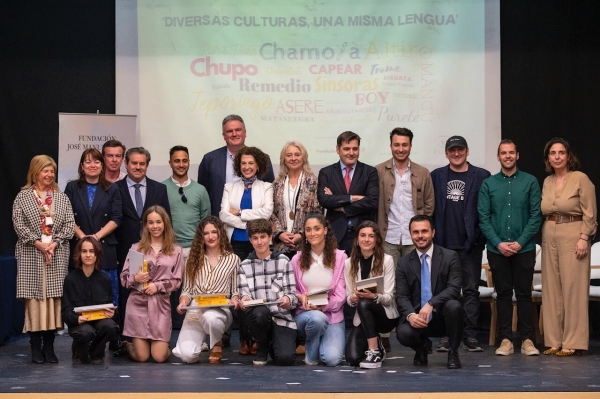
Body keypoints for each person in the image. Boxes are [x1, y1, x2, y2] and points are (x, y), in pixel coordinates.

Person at [478, 140, 542, 356]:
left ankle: (527, 341)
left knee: (524, 294)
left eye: (511, 152)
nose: (507, 156)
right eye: (503, 153)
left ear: (517, 155)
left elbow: (536, 216)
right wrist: (498, 243)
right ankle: (505, 340)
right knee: (503, 294)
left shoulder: (530, 182)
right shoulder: (488, 184)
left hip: (524, 249)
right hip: (497, 250)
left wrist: (520, 242)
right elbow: (483, 218)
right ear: (498, 157)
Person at [12, 155, 75, 364]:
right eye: (45, 170)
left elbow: (69, 225)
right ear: (35, 172)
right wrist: (38, 243)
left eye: (52, 171)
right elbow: (19, 225)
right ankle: (35, 347)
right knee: (35, 301)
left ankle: (49, 347)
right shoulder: (23, 197)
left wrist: (54, 243)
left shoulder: (62, 197)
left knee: (53, 302)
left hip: (56, 254)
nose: (49, 175)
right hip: (31, 254)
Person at [430, 136, 490, 352]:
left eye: (460, 149)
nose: (456, 153)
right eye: (452, 150)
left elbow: (486, 210)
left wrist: (480, 239)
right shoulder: (436, 176)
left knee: (471, 291)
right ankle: (447, 336)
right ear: (446, 153)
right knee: (446, 292)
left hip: (470, 245)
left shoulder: (482, 176)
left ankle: (470, 336)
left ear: (467, 151)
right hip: (443, 246)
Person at [540, 137, 597, 356]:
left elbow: (590, 212)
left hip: (574, 233)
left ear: (568, 155)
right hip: (550, 233)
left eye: (561, 153)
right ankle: (554, 341)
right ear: (548, 158)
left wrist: (584, 237)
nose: (557, 157)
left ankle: (572, 342)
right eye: (552, 153)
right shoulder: (547, 181)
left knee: (573, 288)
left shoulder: (580, 179)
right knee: (552, 288)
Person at [113, 147, 170, 355]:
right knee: (130, 292)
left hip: (155, 251)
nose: (138, 167)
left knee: (155, 293)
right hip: (127, 250)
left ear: (147, 165)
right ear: (126, 164)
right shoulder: (115, 188)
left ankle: (154, 337)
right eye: (134, 163)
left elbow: (166, 220)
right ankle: (126, 340)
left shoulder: (159, 189)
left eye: (142, 163)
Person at [395, 215, 463, 369]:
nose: (420, 236)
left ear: (433, 232)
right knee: (403, 333)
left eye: (424, 231)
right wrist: (411, 316)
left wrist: (431, 303)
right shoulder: (404, 262)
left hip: (443, 316)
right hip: (418, 318)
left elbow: (454, 288)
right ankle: (422, 348)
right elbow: (402, 295)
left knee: (454, 306)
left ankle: (453, 352)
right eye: (416, 232)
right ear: (411, 235)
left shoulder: (450, 256)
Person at [119, 205, 183, 362]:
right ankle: (128, 345)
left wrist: (158, 286)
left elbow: (177, 281)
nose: (155, 226)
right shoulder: (136, 248)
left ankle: (160, 345)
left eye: (158, 222)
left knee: (159, 357)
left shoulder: (176, 250)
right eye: (151, 222)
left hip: (160, 305)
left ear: (165, 223)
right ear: (146, 225)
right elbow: (124, 278)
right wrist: (136, 279)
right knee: (142, 357)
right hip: (138, 303)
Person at [172, 216, 240, 364]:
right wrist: (183, 302)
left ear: (221, 233)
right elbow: (187, 290)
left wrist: (235, 299)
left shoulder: (233, 259)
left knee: (211, 318)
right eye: (206, 233)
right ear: (201, 236)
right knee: (187, 356)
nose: (210, 237)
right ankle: (200, 342)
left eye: (214, 232)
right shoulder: (192, 258)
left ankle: (216, 343)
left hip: (219, 309)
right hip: (196, 307)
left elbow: (235, 290)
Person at [64, 148, 122, 305]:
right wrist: (84, 239)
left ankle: (108, 328)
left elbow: (116, 218)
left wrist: (95, 238)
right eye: (88, 162)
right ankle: (80, 328)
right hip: (78, 246)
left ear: (102, 166)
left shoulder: (112, 188)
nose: (92, 165)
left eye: (96, 161)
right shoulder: (72, 188)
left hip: (104, 247)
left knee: (106, 294)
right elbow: (67, 216)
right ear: (81, 166)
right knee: (79, 294)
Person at [238, 219, 298, 366]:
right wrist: (244, 299)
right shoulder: (244, 265)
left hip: (281, 316)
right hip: (259, 318)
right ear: (250, 240)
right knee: (260, 313)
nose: (259, 242)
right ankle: (262, 345)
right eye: (255, 238)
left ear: (270, 237)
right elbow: (244, 295)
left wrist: (287, 299)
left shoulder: (284, 261)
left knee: (285, 359)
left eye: (263, 237)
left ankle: (274, 343)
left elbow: (293, 295)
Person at [291, 213, 347, 366]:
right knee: (317, 318)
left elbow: (342, 294)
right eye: (308, 230)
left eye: (317, 229)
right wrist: (300, 297)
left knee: (332, 359)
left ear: (325, 230)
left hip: (332, 315)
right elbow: (291, 290)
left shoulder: (341, 257)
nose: (312, 233)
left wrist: (322, 306)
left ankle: (322, 341)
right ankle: (311, 345)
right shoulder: (297, 259)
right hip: (306, 315)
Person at [375, 127, 434, 266]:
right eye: (396, 145)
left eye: (404, 145)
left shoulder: (423, 173)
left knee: (416, 280)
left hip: (415, 239)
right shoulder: (378, 171)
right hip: (388, 237)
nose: (400, 149)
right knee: (390, 282)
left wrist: (421, 231)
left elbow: (429, 205)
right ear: (390, 146)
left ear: (411, 146)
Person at [344, 221, 399, 369]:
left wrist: (373, 296)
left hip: (384, 315)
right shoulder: (349, 263)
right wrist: (353, 297)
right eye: (362, 235)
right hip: (362, 316)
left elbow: (388, 297)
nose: (366, 239)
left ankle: (374, 351)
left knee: (365, 303)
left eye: (371, 236)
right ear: (356, 239)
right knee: (352, 359)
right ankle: (377, 343)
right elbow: (349, 298)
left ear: (376, 240)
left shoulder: (387, 260)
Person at [198, 114, 275, 217]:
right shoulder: (209, 160)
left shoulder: (262, 159)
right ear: (223, 135)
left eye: (238, 130)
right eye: (229, 131)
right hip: (219, 223)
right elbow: (203, 195)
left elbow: (270, 193)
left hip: (256, 224)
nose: (234, 134)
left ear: (245, 133)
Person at [317, 131, 379, 256]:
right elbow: (324, 200)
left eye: (355, 149)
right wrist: (353, 198)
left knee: (361, 274)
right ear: (337, 149)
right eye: (346, 149)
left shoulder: (370, 172)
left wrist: (342, 206)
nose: (351, 153)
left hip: (363, 234)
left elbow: (372, 201)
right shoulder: (326, 173)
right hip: (335, 235)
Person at [62, 237, 119, 364]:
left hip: (99, 320)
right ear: (79, 254)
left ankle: (97, 353)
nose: (88, 255)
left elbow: (110, 305)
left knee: (110, 326)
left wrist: (111, 313)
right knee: (85, 332)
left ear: (97, 254)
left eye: (92, 251)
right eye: (84, 251)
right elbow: (66, 310)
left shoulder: (105, 279)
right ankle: (79, 352)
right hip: (80, 323)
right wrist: (76, 319)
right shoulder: (70, 279)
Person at [220, 146, 274, 261]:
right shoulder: (229, 187)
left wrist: (239, 213)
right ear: (239, 166)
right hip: (234, 242)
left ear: (257, 165)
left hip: (259, 243)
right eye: (243, 163)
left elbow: (266, 213)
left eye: (251, 163)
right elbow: (224, 215)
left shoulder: (266, 187)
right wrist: (251, 224)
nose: (247, 167)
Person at [270, 141, 322, 259]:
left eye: (297, 155)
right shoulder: (276, 183)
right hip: (280, 245)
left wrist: (302, 234)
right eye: (289, 155)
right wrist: (280, 234)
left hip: (306, 244)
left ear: (304, 158)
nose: (293, 158)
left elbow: (317, 212)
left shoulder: (313, 182)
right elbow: (270, 212)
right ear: (283, 159)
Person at [163, 145, 210, 261]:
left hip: (195, 249)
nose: (181, 165)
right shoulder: (161, 188)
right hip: (169, 249)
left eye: (184, 161)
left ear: (189, 162)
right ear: (170, 163)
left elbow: (206, 221)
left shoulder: (200, 190)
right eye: (177, 161)